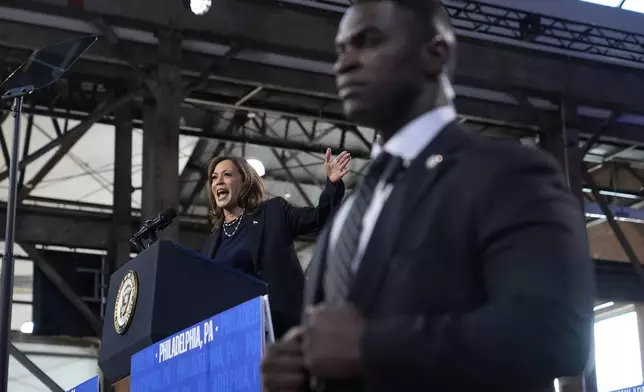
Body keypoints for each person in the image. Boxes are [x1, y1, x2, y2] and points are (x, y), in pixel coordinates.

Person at [261, 0, 595, 391]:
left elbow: (557, 334)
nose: (344, 63)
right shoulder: (349, 212)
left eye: (367, 41)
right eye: (340, 50)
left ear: (436, 54)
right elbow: (335, 355)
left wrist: (372, 346)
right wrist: (298, 373)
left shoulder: (507, 174)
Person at [201, 150, 351, 339]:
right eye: (214, 178)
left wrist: (333, 184)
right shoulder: (213, 241)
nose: (218, 181)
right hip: (235, 333)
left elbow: (318, 218)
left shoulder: (273, 213)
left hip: (280, 326)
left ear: (245, 181)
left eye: (227, 175)